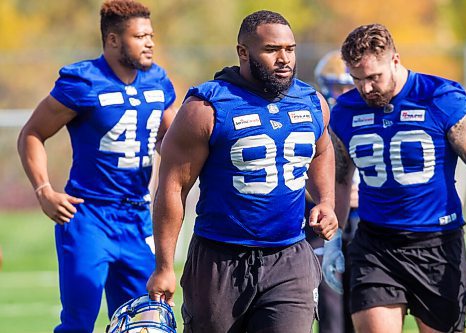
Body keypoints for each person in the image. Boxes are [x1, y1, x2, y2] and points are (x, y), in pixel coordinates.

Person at [147, 10, 337, 333]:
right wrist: (164, 266)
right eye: (272, 50)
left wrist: (325, 200)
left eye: (290, 49)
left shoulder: (312, 102)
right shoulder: (206, 107)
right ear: (243, 53)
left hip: (289, 256)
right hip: (219, 260)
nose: (284, 59)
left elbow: (322, 150)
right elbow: (173, 187)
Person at [323, 23, 466, 333]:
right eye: (356, 79)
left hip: (438, 245)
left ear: (395, 60)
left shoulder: (440, 97)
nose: (365, 89)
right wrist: (335, 239)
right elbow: (339, 178)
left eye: (373, 77)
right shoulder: (346, 111)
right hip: (376, 245)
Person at [17, 1, 176, 332]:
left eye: (151, 35)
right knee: (78, 322)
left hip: (137, 218)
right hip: (89, 217)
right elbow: (32, 133)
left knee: (146, 323)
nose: (149, 42)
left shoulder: (158, 80)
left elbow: (170, 140)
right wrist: (44, 190)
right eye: (139, 36)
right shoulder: (83, 81)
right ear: (114, 40)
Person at [305, 50, 355, 333]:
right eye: (339, 85)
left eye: (350, 84)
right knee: (330, 308)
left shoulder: (365, 115)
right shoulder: (320, 119)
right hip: (324, 225)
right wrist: (328, 198)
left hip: (364, 223)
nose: (345, 92)